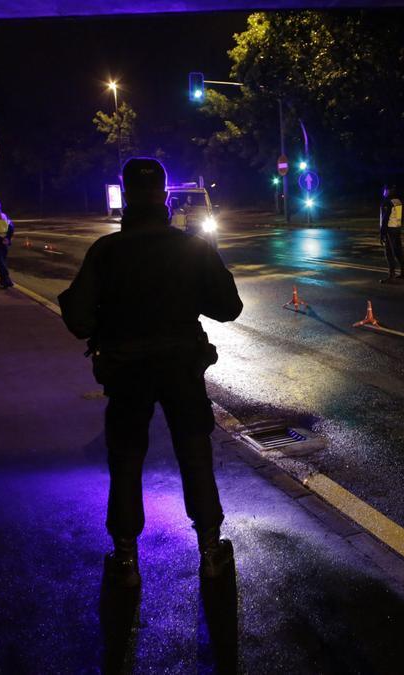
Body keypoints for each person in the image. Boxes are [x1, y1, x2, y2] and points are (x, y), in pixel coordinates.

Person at [59, 157, 243, 589]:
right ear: (163, 195)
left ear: (125, 196)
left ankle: (125, 559)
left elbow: (79, 320)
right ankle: (211, 552)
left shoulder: (106, 252)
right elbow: (229, 307)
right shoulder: (191, 247)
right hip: (182, 365)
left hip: (126, 371)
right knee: (195, 455)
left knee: (126, 460)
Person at [379, 184, 404, 282]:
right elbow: (400, 217)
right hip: (397, 229)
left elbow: (385, 219)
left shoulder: (387, 202)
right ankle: (403, 272)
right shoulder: (398, 201)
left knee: (389, 253)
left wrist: (382, 233)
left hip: (389, 230)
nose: (384, 192)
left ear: (388, 191)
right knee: (398, 251)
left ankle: (391, 275)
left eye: (385, 190)